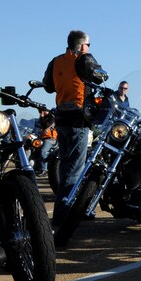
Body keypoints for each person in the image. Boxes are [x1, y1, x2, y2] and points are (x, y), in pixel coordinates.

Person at [43, 30, 106, 224]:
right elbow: (101, 77)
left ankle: (70, 208)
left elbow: (48, 86)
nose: (88, 48)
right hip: (79, 120)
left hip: (61, 120)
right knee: (76, 170)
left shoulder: (55, 61)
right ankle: (65, 213)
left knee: (65, 167)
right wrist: (90, 60)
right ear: (82, 45)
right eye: (88, 45)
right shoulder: (84, 59)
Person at [33, 109, 57, 176]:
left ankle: (44, 170)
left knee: (43, 151)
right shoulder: (42, 118)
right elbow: (38, 125)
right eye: (39, 111)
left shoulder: (51, 117)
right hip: (42, 138)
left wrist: (42, 116)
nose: (40, 113)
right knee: (36, 150)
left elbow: (46, 125)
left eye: (41, 111)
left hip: (50, 139)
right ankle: (37, 168)